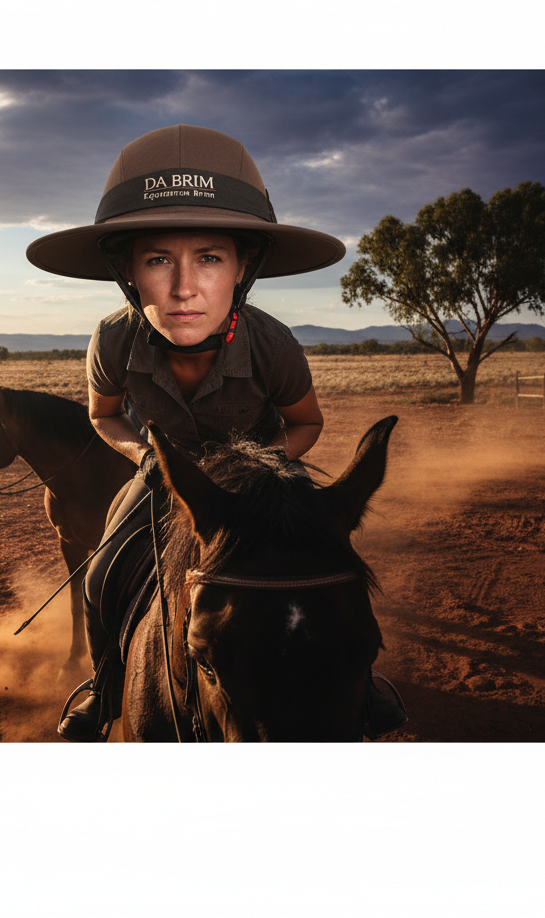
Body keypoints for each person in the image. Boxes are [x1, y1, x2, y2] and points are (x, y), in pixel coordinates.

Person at [26, 123, 406, 741]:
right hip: (160, 474)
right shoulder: (113, 340)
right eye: (157, 260)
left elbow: (306, 423)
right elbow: (104, 414)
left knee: (328, 572)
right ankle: (105, 685)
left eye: (208, 257)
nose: (183, 288)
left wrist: (255, 470)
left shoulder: (273, 343)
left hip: (262, 481)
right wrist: (142, 453)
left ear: (242, 266)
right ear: (128, 271)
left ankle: (363, 687)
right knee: (101, 572)